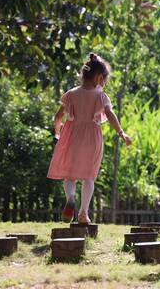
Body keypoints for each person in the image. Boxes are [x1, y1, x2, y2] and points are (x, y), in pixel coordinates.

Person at [47, 53, 132, 224]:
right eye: (105, 80)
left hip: (71, 135)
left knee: (69, 175)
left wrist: (57, 133)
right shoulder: (100, 96)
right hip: (92, 137)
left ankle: (70, 198)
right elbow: (110, 114)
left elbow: (57, 118)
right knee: (89, 177)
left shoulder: (70, 94)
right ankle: (83, 213)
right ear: (99, 78)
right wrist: (121, 133)